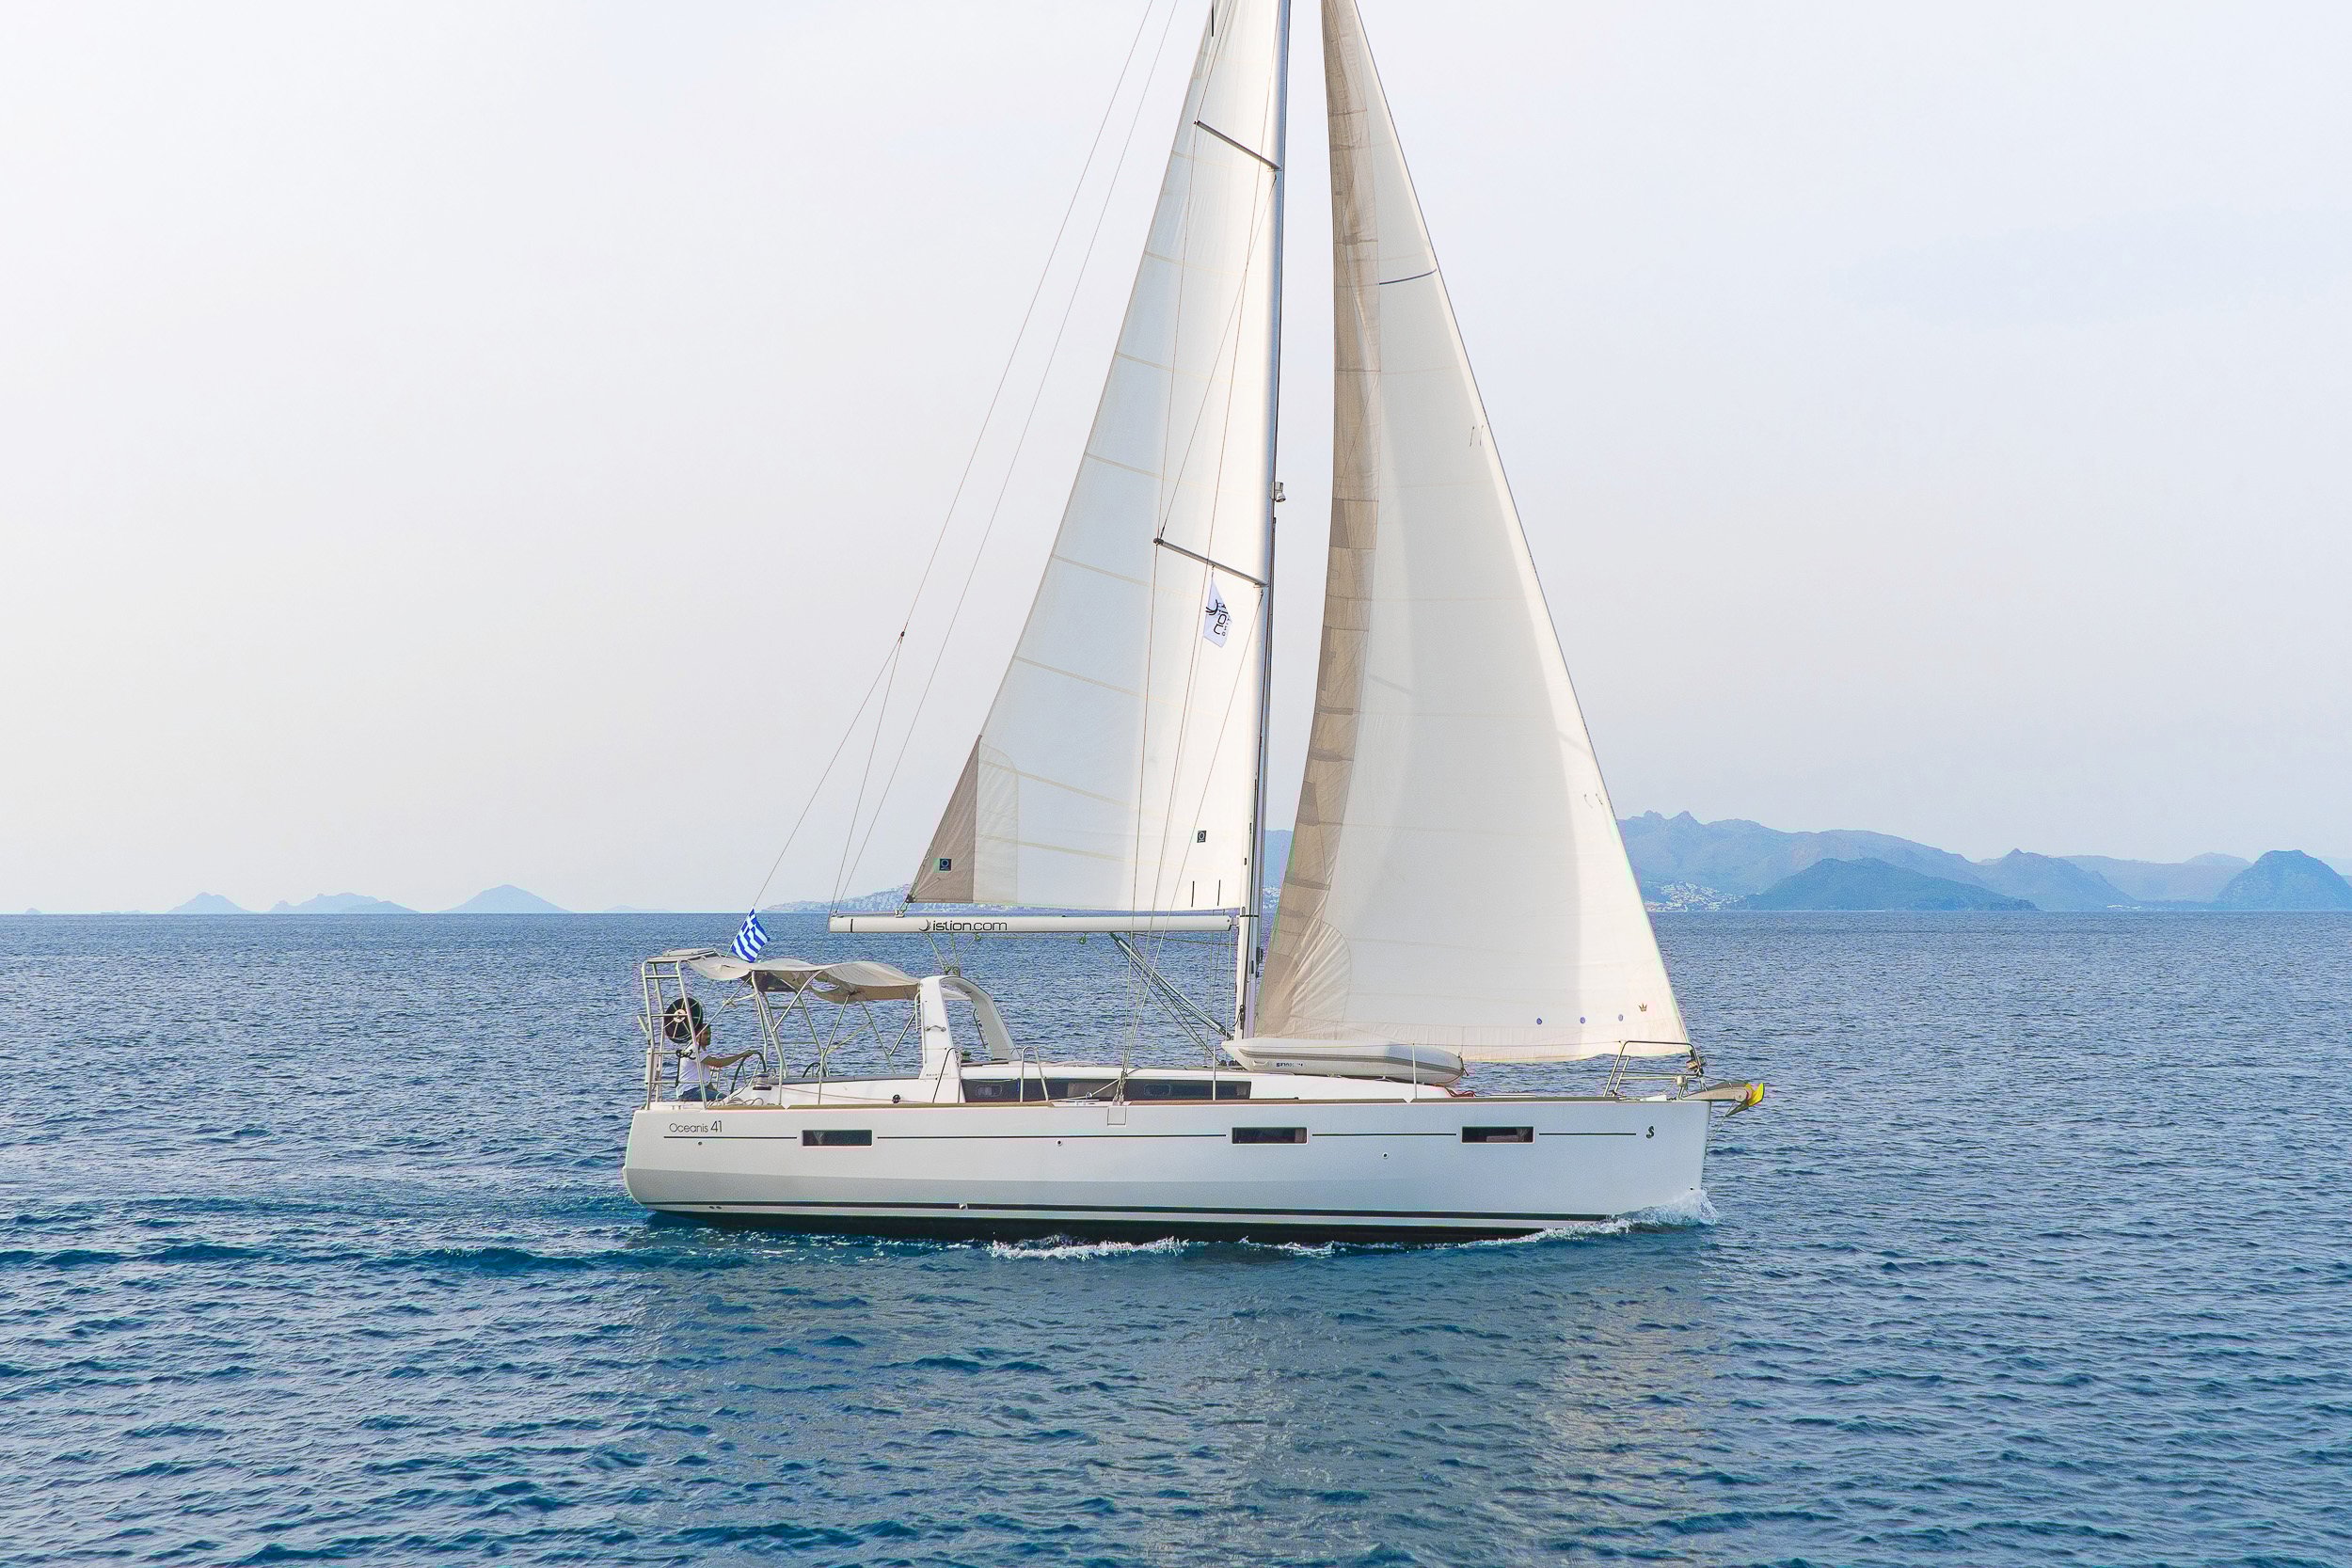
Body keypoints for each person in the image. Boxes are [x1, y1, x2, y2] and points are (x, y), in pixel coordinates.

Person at [663, 998, 759, 1101]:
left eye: (710, 1033)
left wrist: (717, 1093)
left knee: (727, 1099)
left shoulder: (701, 1051)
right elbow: (718, 1063)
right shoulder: (694, 1049)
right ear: (696, 1036)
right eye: (705, 1034)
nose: (708, 1036)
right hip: (689, 1092)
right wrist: (742, 1055)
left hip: (699, 1089)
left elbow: (707, 1082)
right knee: (725, 1099)